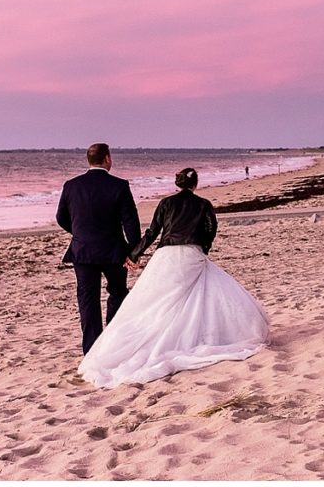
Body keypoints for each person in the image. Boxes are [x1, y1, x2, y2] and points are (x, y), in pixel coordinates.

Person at [77, 167, 270, 388]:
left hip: (166, 256)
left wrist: (133, 254)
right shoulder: (204, 204)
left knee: (156, 301)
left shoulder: (166, 203)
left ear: (176, 184)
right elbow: (210, 230)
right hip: (192, 254)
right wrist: (202, 249)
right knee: (196, 296)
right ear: (195, 184)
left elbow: (152, 232)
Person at [56, 143, 141, 354]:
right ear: (107, 159)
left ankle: (92, 351)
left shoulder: (72, 185)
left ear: (89, 160)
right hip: (114, 251)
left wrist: (79, 233)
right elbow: (130, 221)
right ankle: (113, 342)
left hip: (83, 251)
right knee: (118, 293)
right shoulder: (119, 186)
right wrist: (134, 251)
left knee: (88, 299)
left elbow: (61, 217)